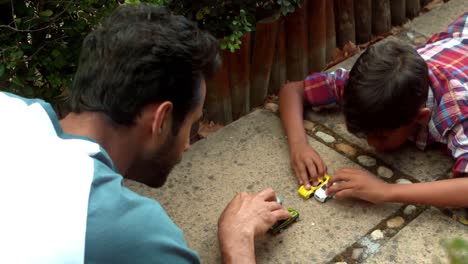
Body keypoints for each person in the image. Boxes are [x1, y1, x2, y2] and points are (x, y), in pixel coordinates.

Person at [0, 4, 291, 263]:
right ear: (161, 120)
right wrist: (238, 243)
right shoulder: (138, 236)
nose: (188, 145)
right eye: (190, 124)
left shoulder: (10, 107)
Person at [279, 13, 468, 208]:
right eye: (363, 134)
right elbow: (292, 90)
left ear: (420, 117)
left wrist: (387, 191)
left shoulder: (457, 114)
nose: (371, 144)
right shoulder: (371, 86)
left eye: (381, 136)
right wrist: (299, 146)